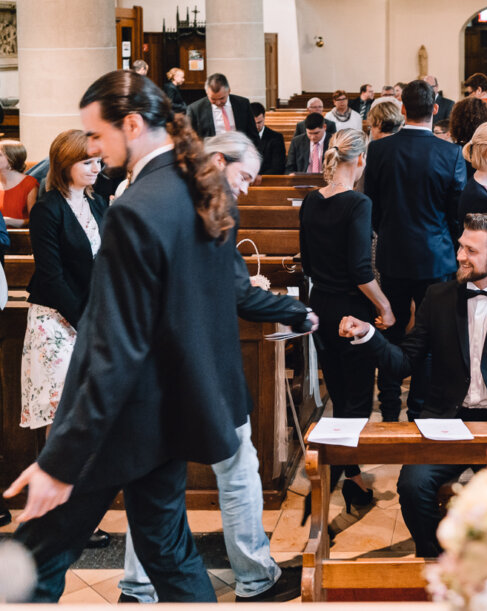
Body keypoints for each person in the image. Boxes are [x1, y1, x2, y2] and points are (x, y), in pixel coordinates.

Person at [4, 70, 255, 602]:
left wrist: (60, 459)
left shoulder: (137, 207)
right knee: (167, 550)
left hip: (122, 417)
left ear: (132, 124)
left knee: (33, 559)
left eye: (96, 134)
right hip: (169, 408)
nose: (92, 146)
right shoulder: (197, 187)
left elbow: (114, 346)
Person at [119, 131, 315, 604]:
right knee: (238, 468)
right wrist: (295, 310)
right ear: (220, 160)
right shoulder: (211, 206)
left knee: (154, 482)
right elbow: (237, 292)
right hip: (203, 365)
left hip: (151, 364)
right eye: (244, 176)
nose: (245, 187)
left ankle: (137, 586)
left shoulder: (150, 192)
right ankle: (253, 577)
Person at [339, 213, 487, 557]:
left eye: (470, 250)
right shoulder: (437, 298)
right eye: (461, 246)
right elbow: (403, 363)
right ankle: (437, 559)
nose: (460, 255)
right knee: (412, 486)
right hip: (445, 422)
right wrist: (369, 335)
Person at [19, 131, 108, 550]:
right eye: (89, 162)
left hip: (88, 317)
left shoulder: (96, 202)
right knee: (62, 420)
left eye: (99, 162)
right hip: (56, 320)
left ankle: (76, 516)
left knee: (84, 419)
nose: (97, 168)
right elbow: (51, 275)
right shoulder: (48, 208)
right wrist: (84, 318)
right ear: (66, 162)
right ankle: (58, 519)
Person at [299, 129, 393, 514]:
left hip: (320, 303)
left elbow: (306, 261)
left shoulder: (310, 200)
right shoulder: (358, 203)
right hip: (351, 311)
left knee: (340, 392)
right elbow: (360, 269)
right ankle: (349, 477)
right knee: (357, 398)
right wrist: (385, 306)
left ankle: (342, 468)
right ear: (360, 160)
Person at [364, 79, 465, 420]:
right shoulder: (450, 153)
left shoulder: (379, 150)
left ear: (403, 108)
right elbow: (455, 214)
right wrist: (446, 244)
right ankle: (420, 409)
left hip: (392, 254)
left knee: (390, 330)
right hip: (436, 257)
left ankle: (390, 408)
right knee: (430, 336)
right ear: (435, 109)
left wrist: (388, 231)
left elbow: (372, 207)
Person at [186, 72, 259, 147]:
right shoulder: (195, 109)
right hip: (211, 154)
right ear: (206, 93)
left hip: (239, 152)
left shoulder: (243, 104)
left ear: (229, 91)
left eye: (222, 98)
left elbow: (253, 135)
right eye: (213, 99)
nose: (218, 102)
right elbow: (190, 140)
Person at [0, 140, 39, 227]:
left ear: (11, 159)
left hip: (19, 237)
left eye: (0, 155)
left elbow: (35, 221)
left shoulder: (29, 184)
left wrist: (8, 221)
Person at [250, 102, 287, 176]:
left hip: (267, 180)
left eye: (259, 122)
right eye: (254, 123)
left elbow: (278, 167)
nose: (257, 126)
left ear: (264, 118)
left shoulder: (276, 138)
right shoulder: (243, 136)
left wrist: (260, 177)